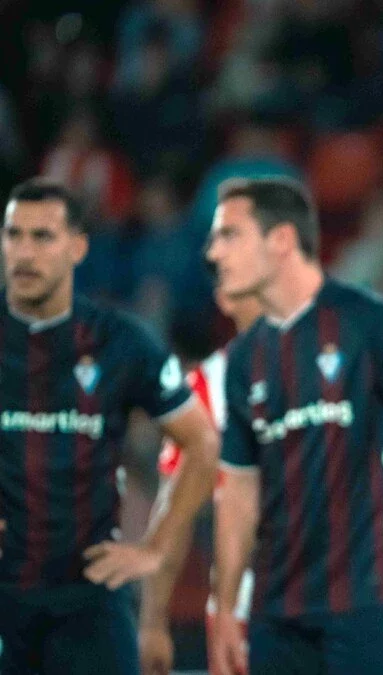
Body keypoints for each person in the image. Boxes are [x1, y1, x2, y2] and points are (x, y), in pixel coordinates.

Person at [206, 177, 383, 675]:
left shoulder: (372, 325)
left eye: (229, 236)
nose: (214, 252)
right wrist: (223, 607)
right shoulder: (244, 360)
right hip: (277, 610)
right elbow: (238, 491)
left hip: (372, 602)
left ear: (281, 239)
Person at [0, 178, 219, 674]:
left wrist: (156, 547)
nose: (24, 252)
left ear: (78, 247)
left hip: (90, 598)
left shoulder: (119, 341)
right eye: (14, 235)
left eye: (43, 237)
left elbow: (202, 443)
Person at [139, 288, 263, 675]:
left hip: (343, 602)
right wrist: (152, 620)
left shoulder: (345, 363)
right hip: (243, 612)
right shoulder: (207, 386)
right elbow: (174, 511)